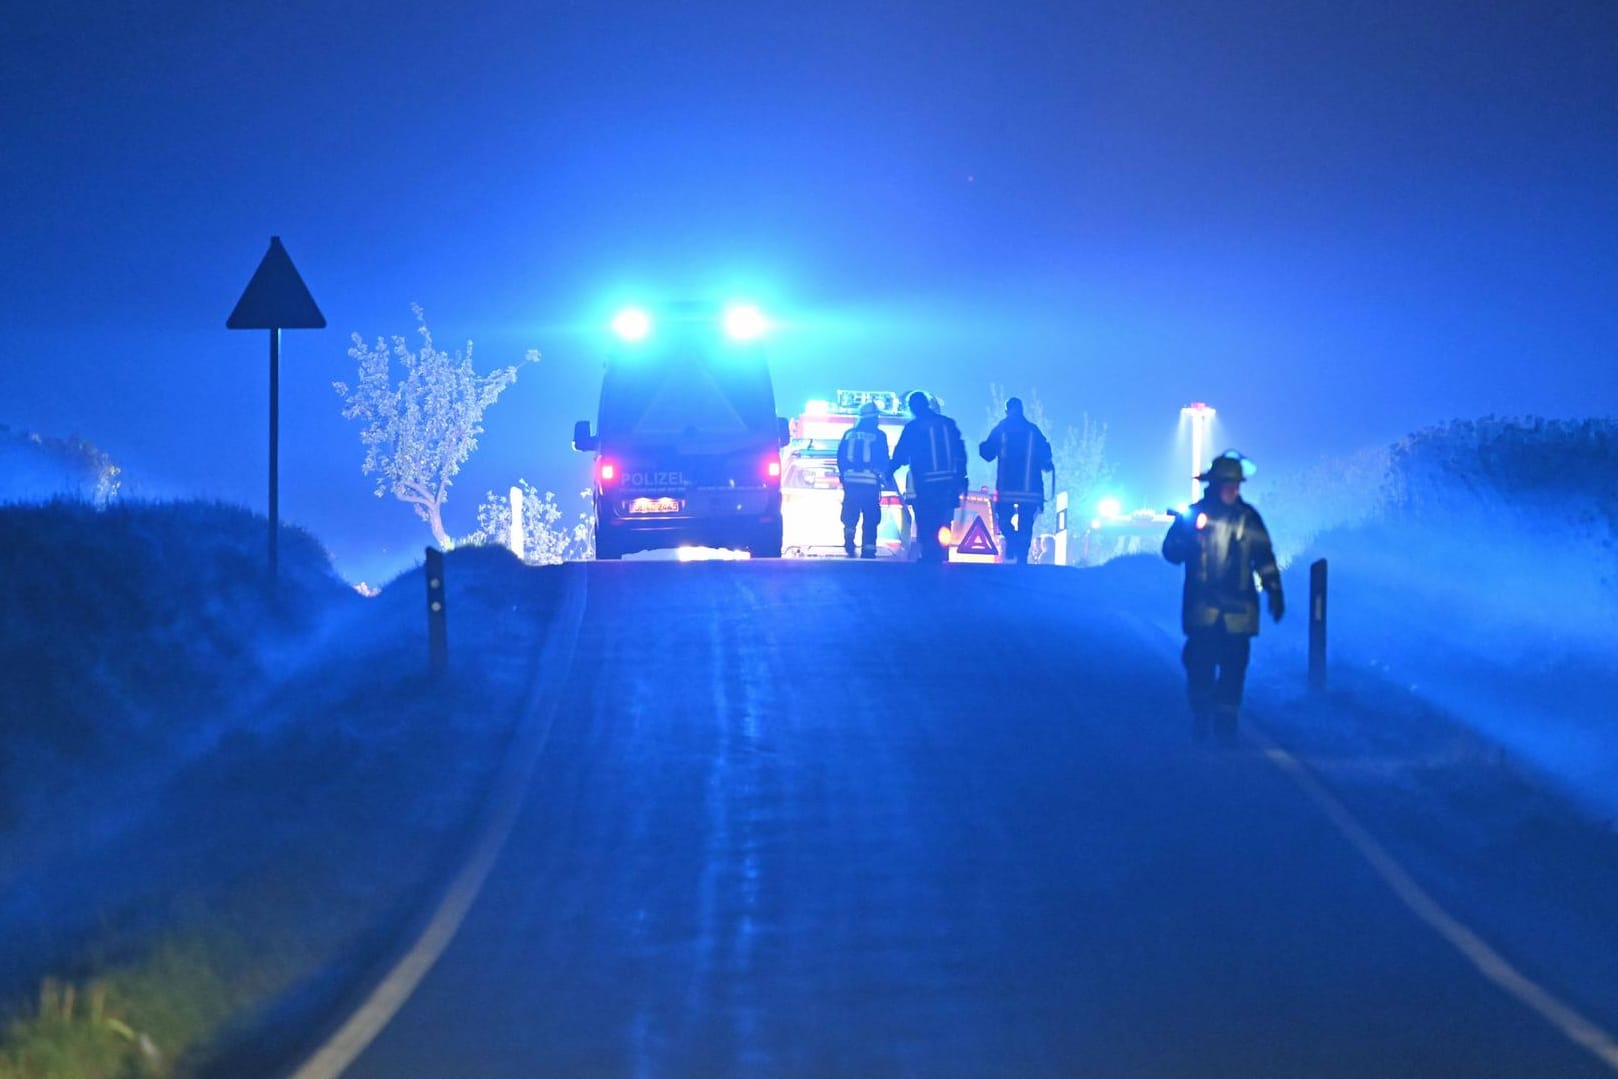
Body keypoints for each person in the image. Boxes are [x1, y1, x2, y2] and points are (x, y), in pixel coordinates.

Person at [1161, 452, 1284, 744]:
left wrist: (1274, 591)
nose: (1234, 490)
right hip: (1202, 611)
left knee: (1234, 670)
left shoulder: (1249, 518)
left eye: (1236, 484)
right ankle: (1202, 712)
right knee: (1198, 665)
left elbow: (1264, 558)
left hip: (1239, 614)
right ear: (1214, 484)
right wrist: (1187, 534)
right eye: (1228, 484)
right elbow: (1171, 553)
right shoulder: (1193, 516)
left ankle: (1226, 727)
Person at [890, 390, 967, 563]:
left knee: (925, 520)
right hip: (948, 484)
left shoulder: (913, 427)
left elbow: (900, 455)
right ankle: (941, 553)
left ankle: (929, 555)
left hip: (925, 485)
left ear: (913, 407)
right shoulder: (948, 424)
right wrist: (962, 477)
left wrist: (888, 471)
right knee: (943, 520)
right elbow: (960, 452)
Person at [979, 397, 1054, 564]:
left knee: (1003, 519)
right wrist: (1047, 464)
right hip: (1030, 488)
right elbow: (1046, 455)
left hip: (1007, 487)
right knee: (1026, 523)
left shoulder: (1002, 429)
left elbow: (987, 453)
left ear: (1007, 410)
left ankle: (1013, 541)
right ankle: (1021, 557)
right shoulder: (1032, 430)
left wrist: (982, 447)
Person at [836, 401, 893, 558]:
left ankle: (849, 538)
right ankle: (869, 548)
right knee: (870, 515)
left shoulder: (848, 434)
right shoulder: (879, 435)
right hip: (869, 482)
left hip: (850, 481)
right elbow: (883, 459)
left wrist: (844, 474)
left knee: (850, 511)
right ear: (873, 418)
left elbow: (840, 457)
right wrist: (884, 474)